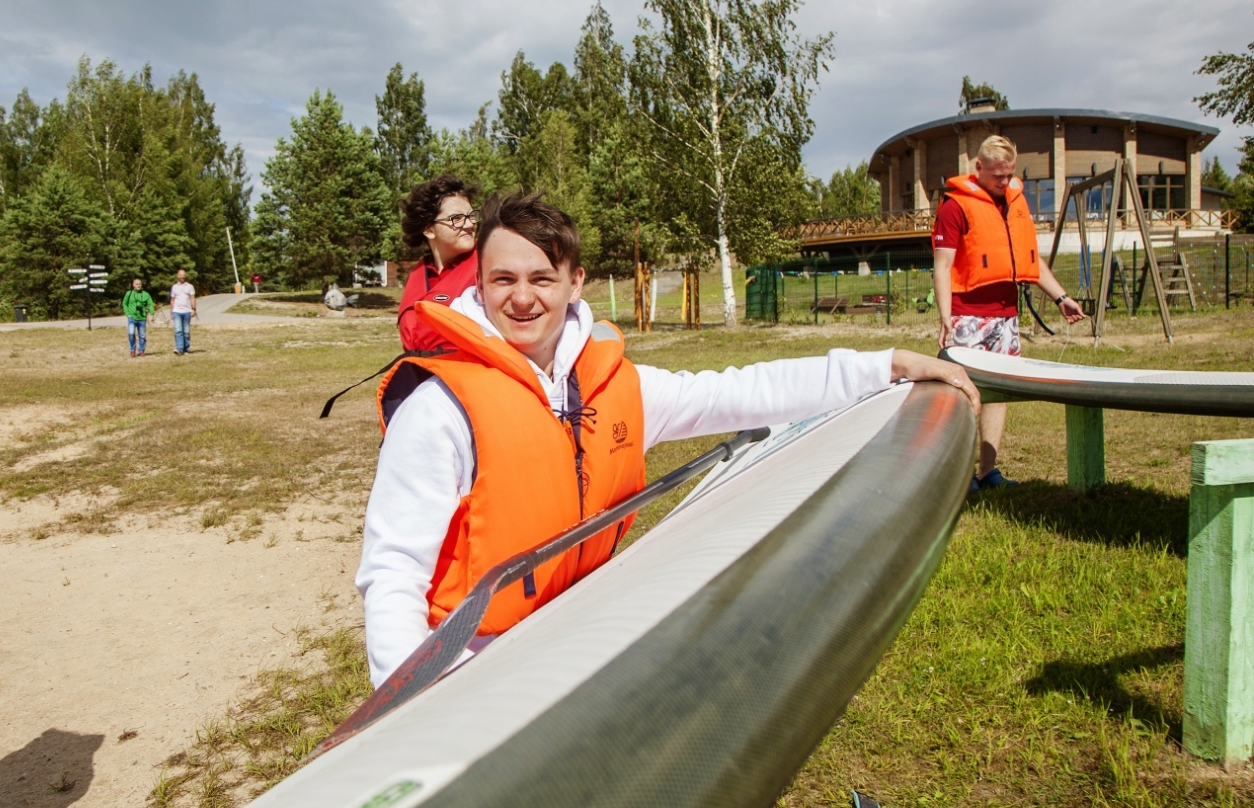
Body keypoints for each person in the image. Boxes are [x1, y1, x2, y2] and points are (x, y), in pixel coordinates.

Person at [357, 193, 980, 686]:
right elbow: (393, 572)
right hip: (474, 660)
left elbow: (740, 391)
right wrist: (407, 702)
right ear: (479, 286)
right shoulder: (440, 409)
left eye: (542, 278)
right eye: (503, 280)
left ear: (575, 283)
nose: (523, 298)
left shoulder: (612, 385)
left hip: (572, 636)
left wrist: (885, 365)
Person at [932, 135, 1085, 491]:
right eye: (997, 176)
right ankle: (957, 476)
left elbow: (1030, 260)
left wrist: (1061, 297)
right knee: (965, 394)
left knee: (998, 393)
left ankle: (988, 471)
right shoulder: (955, 207)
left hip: (1007, 314)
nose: (1004, 183)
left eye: (1009, 175)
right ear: (979, 168)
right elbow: (942, 267)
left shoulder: (1015, 202)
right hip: (969, 314)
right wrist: (945, 316)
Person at [396, 174, 481, 352]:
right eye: (456, 219)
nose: (469, 224)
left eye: (471, 216)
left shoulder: (490, 263)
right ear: (429, 230)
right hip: (421, 374)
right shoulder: (419, 275)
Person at [123, 278, 154, 358]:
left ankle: (141, 350)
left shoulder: (145, 294)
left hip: (142, 318)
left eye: (139, 284)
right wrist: (127, 314)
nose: (138, 285)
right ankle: (132, 350)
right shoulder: (129, 293)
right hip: (132, 318)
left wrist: (151, 314)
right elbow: (124, 304)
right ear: (133, 285)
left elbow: (150, 304)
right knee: (131, 333)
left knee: (142, 335)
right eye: (136, 284)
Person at [169, 269, 197, 355]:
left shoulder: (189, 286)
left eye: (184, 275)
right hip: (177, 311)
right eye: (181, 275)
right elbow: (172, 300)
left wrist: (193, 309)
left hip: (186, 311)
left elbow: (192, 298)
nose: (182, 276)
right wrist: (171, 311)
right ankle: (179, 348)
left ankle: (186, 348)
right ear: (177, 276)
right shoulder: (174, 287)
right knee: (178, 330)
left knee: (186, 331)